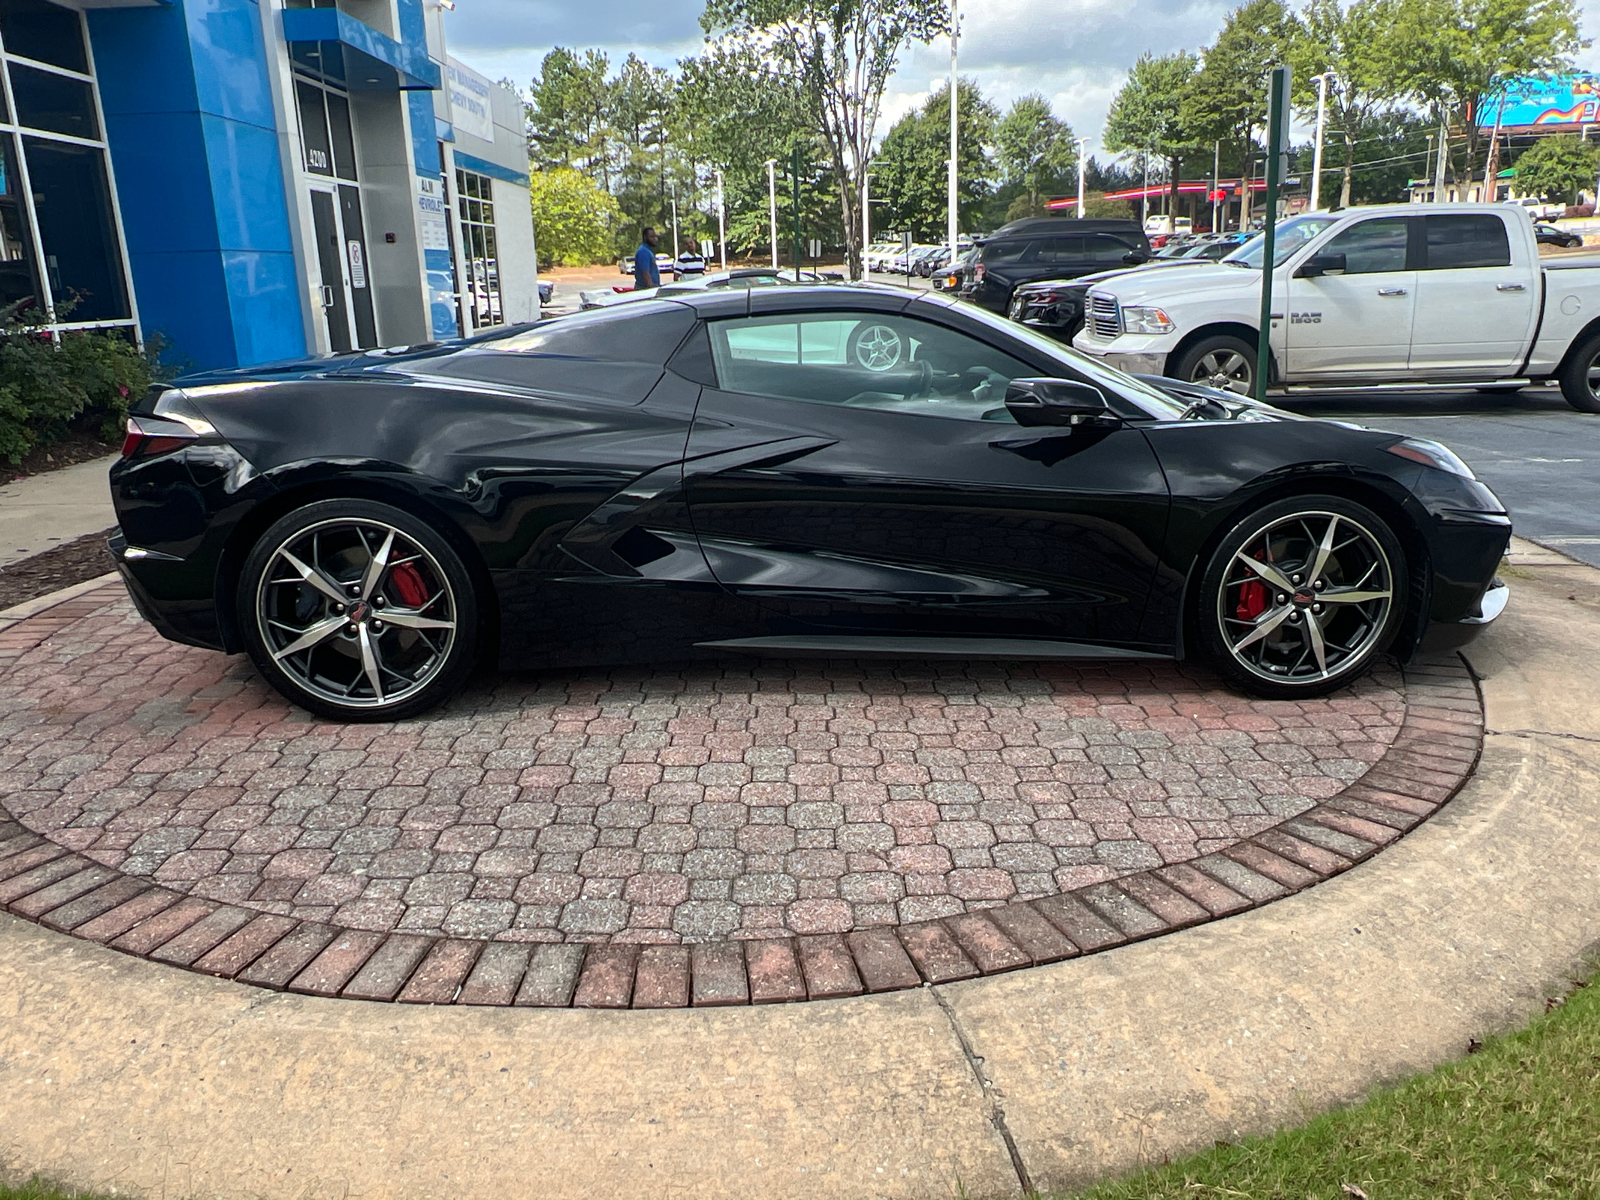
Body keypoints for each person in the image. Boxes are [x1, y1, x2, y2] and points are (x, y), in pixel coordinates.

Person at [633, 227, 661, 292]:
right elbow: (645, 273)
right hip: (644, 290)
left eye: (655, 236)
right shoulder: (643, 251)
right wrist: (651, 289)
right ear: (645, 237)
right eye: (652, 237)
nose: (655, 239)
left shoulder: (648, 250)